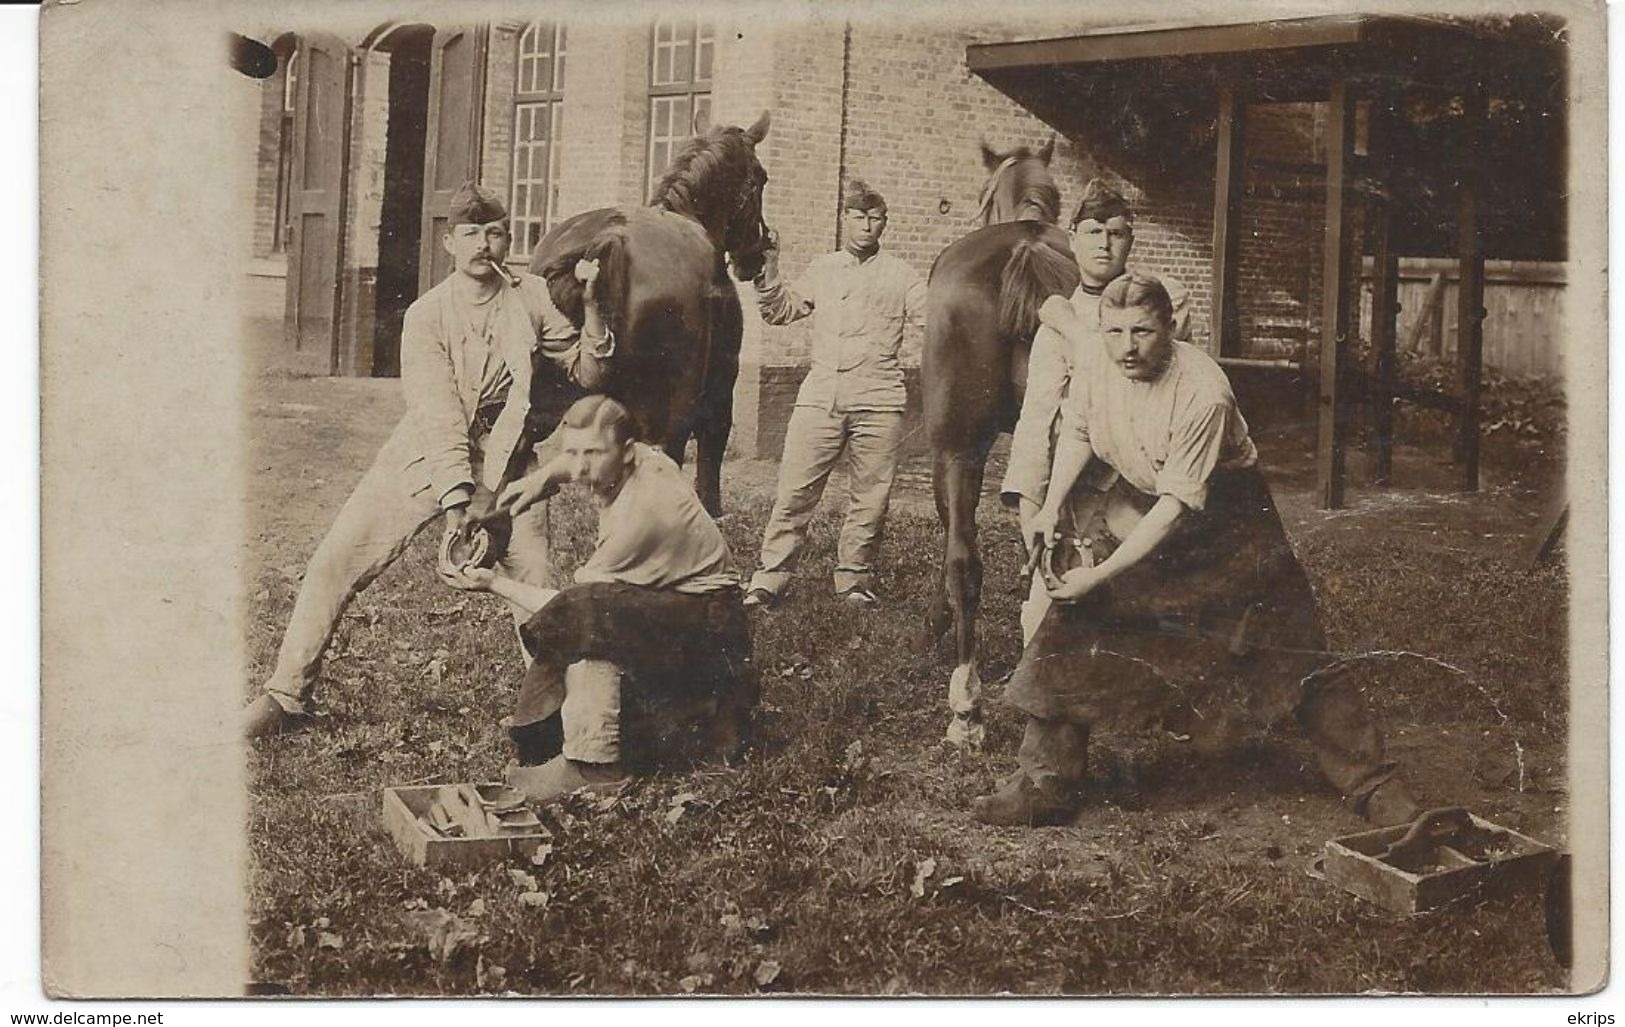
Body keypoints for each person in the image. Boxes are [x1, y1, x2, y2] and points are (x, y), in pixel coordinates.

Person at [971, 273, 1423, 829]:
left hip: (1232, 524)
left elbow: (1177, 509)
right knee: (1074, 617)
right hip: (1148, 503)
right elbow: (1081, 432)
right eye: (1114, 331)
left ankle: (1375, 783)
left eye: (1142, 331)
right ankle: (1045, 781)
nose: (1126, 346)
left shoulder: (1204, 392)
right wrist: (1047, 508)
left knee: (1292, 650)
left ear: (1171, 330)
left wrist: (1103, 572)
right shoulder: (1097, 361)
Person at [242, 182, 617, 738]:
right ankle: (285, 693)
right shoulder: (427, 315)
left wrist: (590, 305)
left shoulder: (532, 295)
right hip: (422, 455)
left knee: (536, 582)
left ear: (507, 237)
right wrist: (459, 501)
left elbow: (590, 374)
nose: (484, 245)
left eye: (494, 232)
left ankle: (561, 713)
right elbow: (438, 413)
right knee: (336, 559)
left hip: (509, 460)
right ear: (449, 242)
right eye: (471, 234)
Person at [444, 395, 756, 801]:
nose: (579, 467)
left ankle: (594, 765)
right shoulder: (644, 456)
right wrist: (542, 478)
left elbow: (569, 606)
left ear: (625, 452)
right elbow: (580, 455)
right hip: (679, 611)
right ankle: (582, 730)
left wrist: (492, 583)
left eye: (592, 454)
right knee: (597, 609)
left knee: (588, 614)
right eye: (571, 453)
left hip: (710, 634)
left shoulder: (640, 515)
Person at [1000, 178, 1189, 644]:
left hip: (1143, 477)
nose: (1104, 244)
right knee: (1051, 604)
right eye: (1092, 232)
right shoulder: (1053, 329)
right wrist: (1031, 507)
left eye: (1117, 233)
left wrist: (1068, 323)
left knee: (1151, 603)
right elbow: (1037, 420)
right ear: (1072, 237)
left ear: (1131, 239)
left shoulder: (1159, 306)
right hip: (1076, 481)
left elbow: (1149, 382)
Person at [742, 179, 927, 608]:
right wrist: (769, 268)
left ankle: (854, 580)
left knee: (871, 497)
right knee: (794, 491)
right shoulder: (823, 269)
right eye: (858, 217)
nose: (867, 225)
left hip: (879, 400)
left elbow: (932, 318)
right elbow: (781, 311)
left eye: (875, 218)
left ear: (885, 223)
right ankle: (770, 578)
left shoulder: (902, 275)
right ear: (845, 220)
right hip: (820, 397)